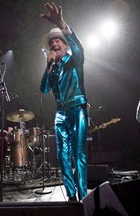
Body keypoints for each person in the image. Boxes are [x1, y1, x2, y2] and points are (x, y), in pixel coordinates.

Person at [40, 2, 89, 201]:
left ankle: (84, 195)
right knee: (62, 156)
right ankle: (71, 195)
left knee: (78, 154)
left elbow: (79, 46)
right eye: (51, 43)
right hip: (60, 113)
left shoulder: (74, 59)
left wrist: (62, 24)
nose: (54, 44)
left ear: (65, 44)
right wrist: (48, 67)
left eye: (58, 41)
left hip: (77, 108)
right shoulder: (53, 68)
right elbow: (43, 89)